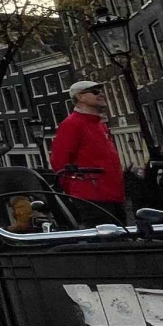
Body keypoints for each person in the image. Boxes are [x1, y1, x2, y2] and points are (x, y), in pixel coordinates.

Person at [49, 80, 127, 223]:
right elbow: (60, 161)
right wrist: (75, 190)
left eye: (101, 91)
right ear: (80, 97)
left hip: (113, 196)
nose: (101, 94)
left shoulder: (99, 124)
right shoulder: (71, 125)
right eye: (95, 92)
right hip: (92, 197)